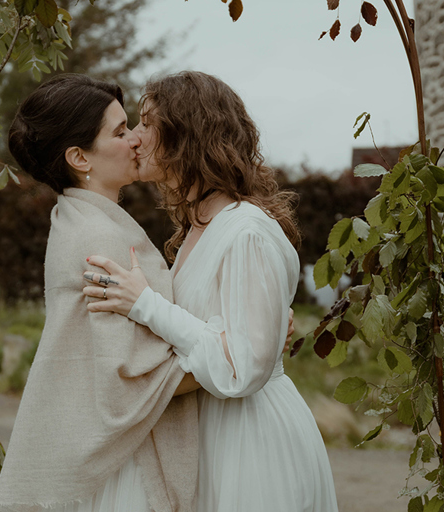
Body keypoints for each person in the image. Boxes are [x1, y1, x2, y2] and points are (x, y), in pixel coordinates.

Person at [82, 71, 339, 512]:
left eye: (146, 123)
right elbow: (218, 339)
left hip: (252, 445)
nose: (136, 138)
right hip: (211, 435)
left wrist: (146, 304)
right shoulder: (198, 229)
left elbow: (241, 369)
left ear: (187, 134)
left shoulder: (247, 232)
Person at [0, 74, 201, 512]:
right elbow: (130, 379)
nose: (137, 141)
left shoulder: (73, 218)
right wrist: (246, 353)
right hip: (122, 474)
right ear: (79, 156)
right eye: (121, 132)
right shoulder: (97, 238)